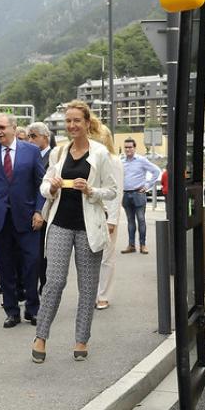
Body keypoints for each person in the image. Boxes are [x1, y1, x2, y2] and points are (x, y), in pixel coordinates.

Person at [33, 102, 118, 363]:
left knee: (88, 286)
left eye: (76, 121)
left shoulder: (100, 153)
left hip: (88, 227)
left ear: (86, 123)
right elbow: (44, 186)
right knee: (55, 281)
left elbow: (112, 191)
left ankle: (81, 339)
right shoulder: (58, 153)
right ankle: (40, 336)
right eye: (68, 121)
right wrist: (53, 188)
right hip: (59, 223)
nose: (71, 126)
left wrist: (90, 190)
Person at [0, 113, 46, 328]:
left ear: (14, 128)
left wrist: (39, 211)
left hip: (27, 218)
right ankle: (11, 311)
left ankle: (33, 309)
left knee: (31, 264)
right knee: (5, 267)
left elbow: (41, 185)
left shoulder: (32, 151)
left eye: (2, 127)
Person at [94, 126, 123, 310]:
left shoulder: (113, 160)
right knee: (91, 257)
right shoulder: (92, 158)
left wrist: (112, 219)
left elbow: (117, 190)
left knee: (106, 257)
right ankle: (93, 294)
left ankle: (103, 295)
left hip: (106, 214)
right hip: (91, 213)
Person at [120, 138, 161, 254]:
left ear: (134, 148)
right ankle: (131, 245)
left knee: (141, 220)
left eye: (130, 147)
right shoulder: (121, 162)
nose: (128, 149)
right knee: (130, 221)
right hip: (126, 194)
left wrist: (147, 185)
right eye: (126, 147)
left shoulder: (141, 160)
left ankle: (143, 245)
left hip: (138, 193)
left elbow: (156, 171)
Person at [28, 121, 53, 292]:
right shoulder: (29, 155)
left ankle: (45, 286)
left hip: (49, 210)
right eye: (29, 136)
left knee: (45, 253)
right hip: (31, 208)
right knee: (32, 252)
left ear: (45, 137)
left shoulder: (54, 157)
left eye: (33, 136)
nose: (30, 140)